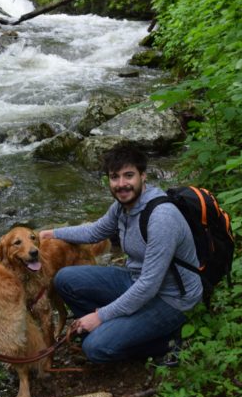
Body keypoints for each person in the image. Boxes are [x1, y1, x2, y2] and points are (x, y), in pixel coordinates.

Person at [39, 142, 202, 363]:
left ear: (143, 176)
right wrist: (52, 233)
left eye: (128, 176)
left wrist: (100, 316)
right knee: (65, 279)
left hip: (171, 300)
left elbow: (149, 286)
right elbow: (94, 231)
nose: (121, 184)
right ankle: (118, 329)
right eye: (115, 177)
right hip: (134, 280)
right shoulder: (122, 207)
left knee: (95, 348)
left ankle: (169, 342)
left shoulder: (162, 218)